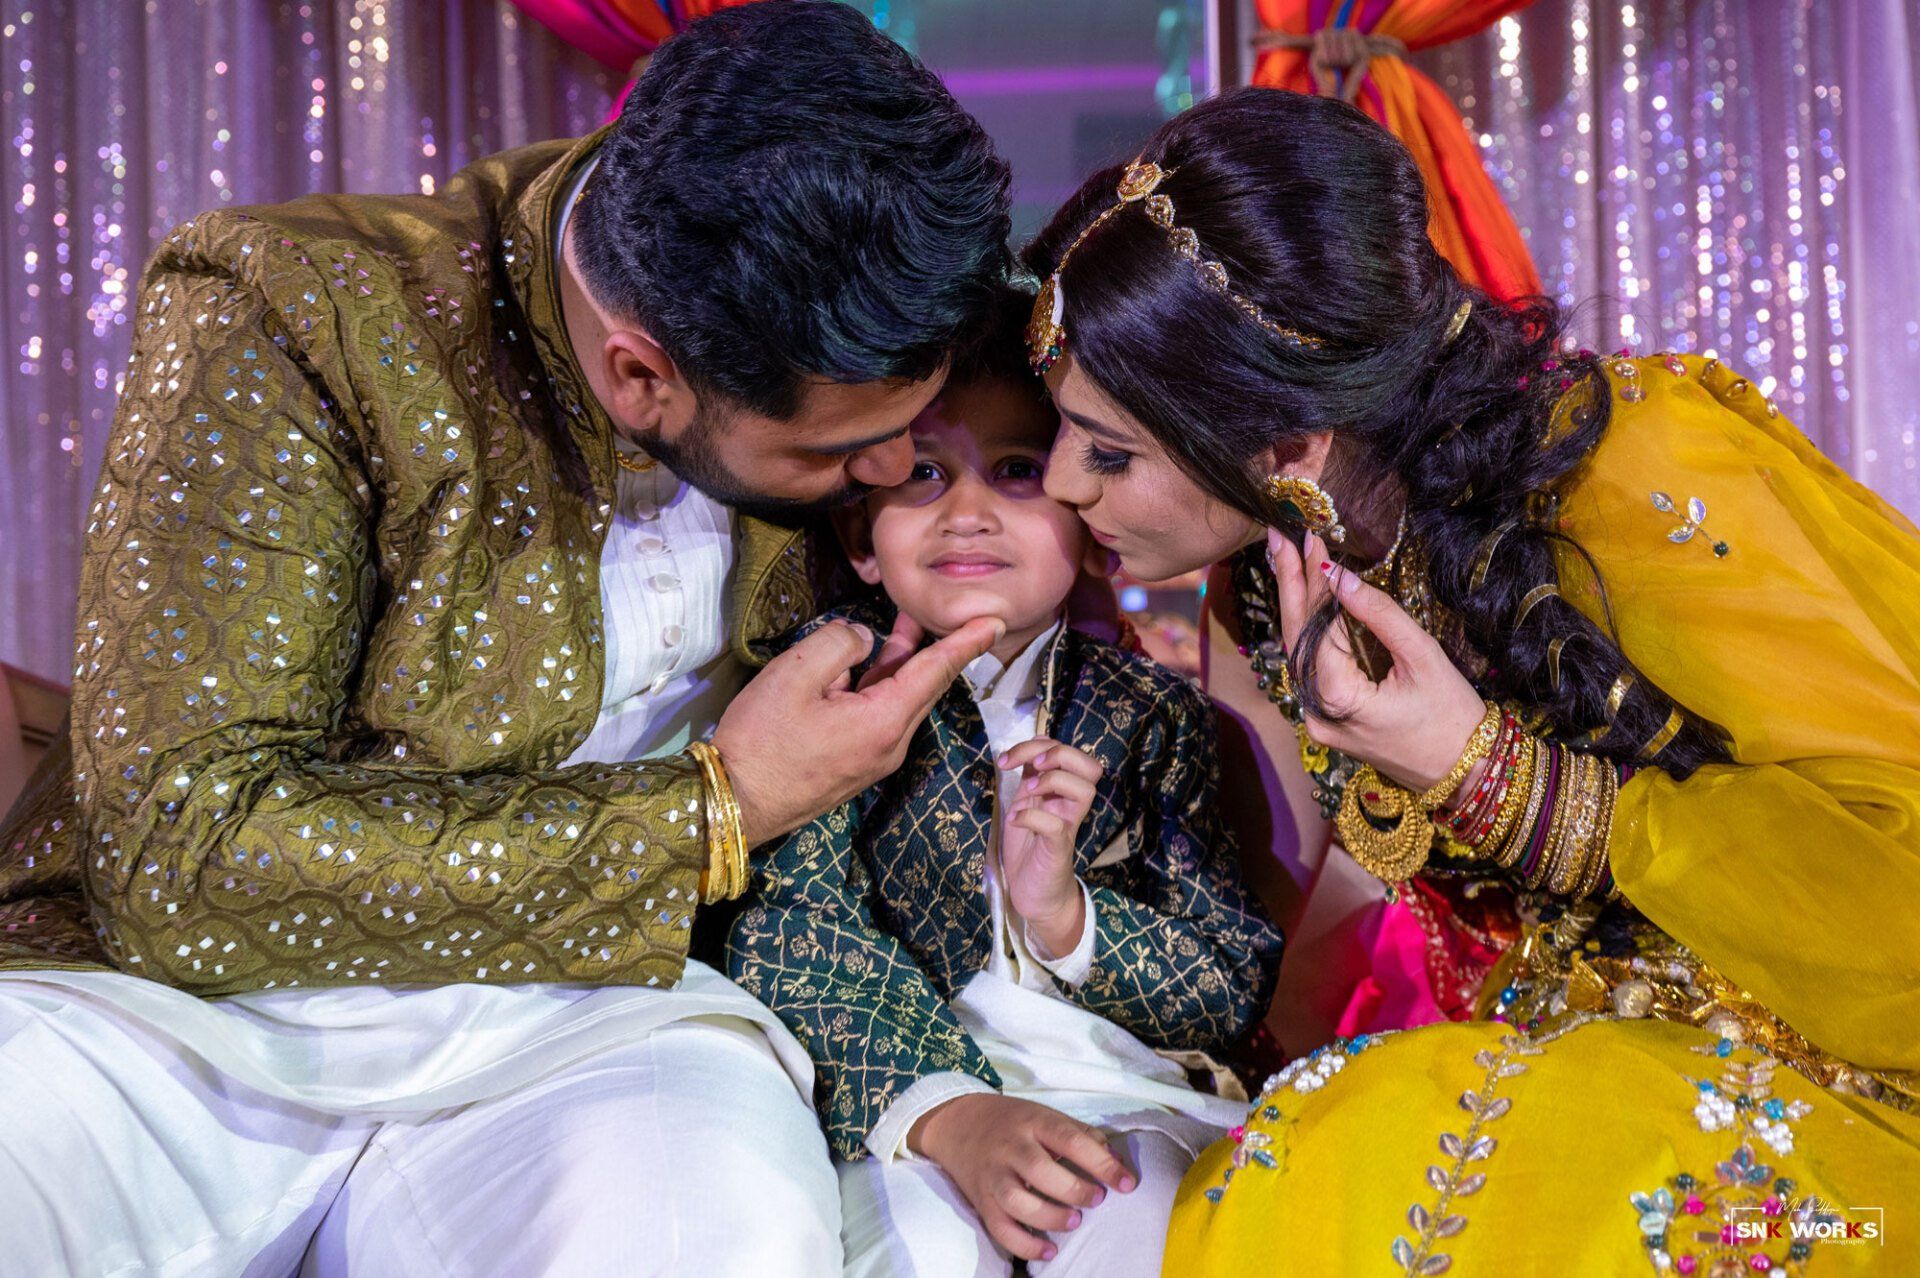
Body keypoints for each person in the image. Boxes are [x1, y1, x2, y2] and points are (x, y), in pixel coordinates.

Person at [0, 4, 1014, 1274]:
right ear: (642, 377)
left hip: (590, 1016)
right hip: (173, 1018)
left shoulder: (870, 299)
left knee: (724, 1239)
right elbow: (182, 851)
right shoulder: (300, 306)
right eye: (828, 450)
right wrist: (713, 811)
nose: (892, 470)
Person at [1020, 87, 1920, 1274]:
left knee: (1621, 1230)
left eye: (1112, 451)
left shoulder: (1631, 478)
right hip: (1571, 1073)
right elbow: (1320, 918)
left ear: (1289, 445)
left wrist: (1485, 772)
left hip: (1853, 1137)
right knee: (1311, 1176)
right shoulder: (1277, 575)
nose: (1064, 489)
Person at [727, 293, 1282, 1277]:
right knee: (921, 1250)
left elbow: (1226, 983)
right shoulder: (822, 694)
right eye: (922, 473)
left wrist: (1068, 918)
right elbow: (788, 928)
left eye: (1018, 470)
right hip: (901, 1109)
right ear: (861, 536)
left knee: (1134, 1215)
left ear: (1085, 513)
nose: (968, 512)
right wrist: (950, 1113)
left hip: (1121, 1100)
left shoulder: (1152, 716)